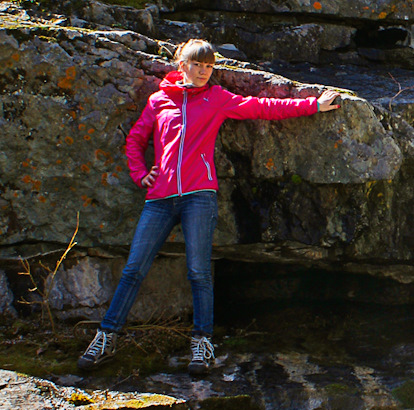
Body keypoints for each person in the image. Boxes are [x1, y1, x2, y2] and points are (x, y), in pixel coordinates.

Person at [77, 39, 340, 376]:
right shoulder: (159, 101)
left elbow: (261, 107)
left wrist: (313, 106)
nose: (202, 71)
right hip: (159, 199)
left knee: (199, 272)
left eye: (208, 66)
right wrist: (140, 173)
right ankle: (105, 338)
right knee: (133, 270)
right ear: (180, 63)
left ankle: (201, 344)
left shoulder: (216, 99)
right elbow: (135, 139)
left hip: (200, 196)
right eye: (196, 64)